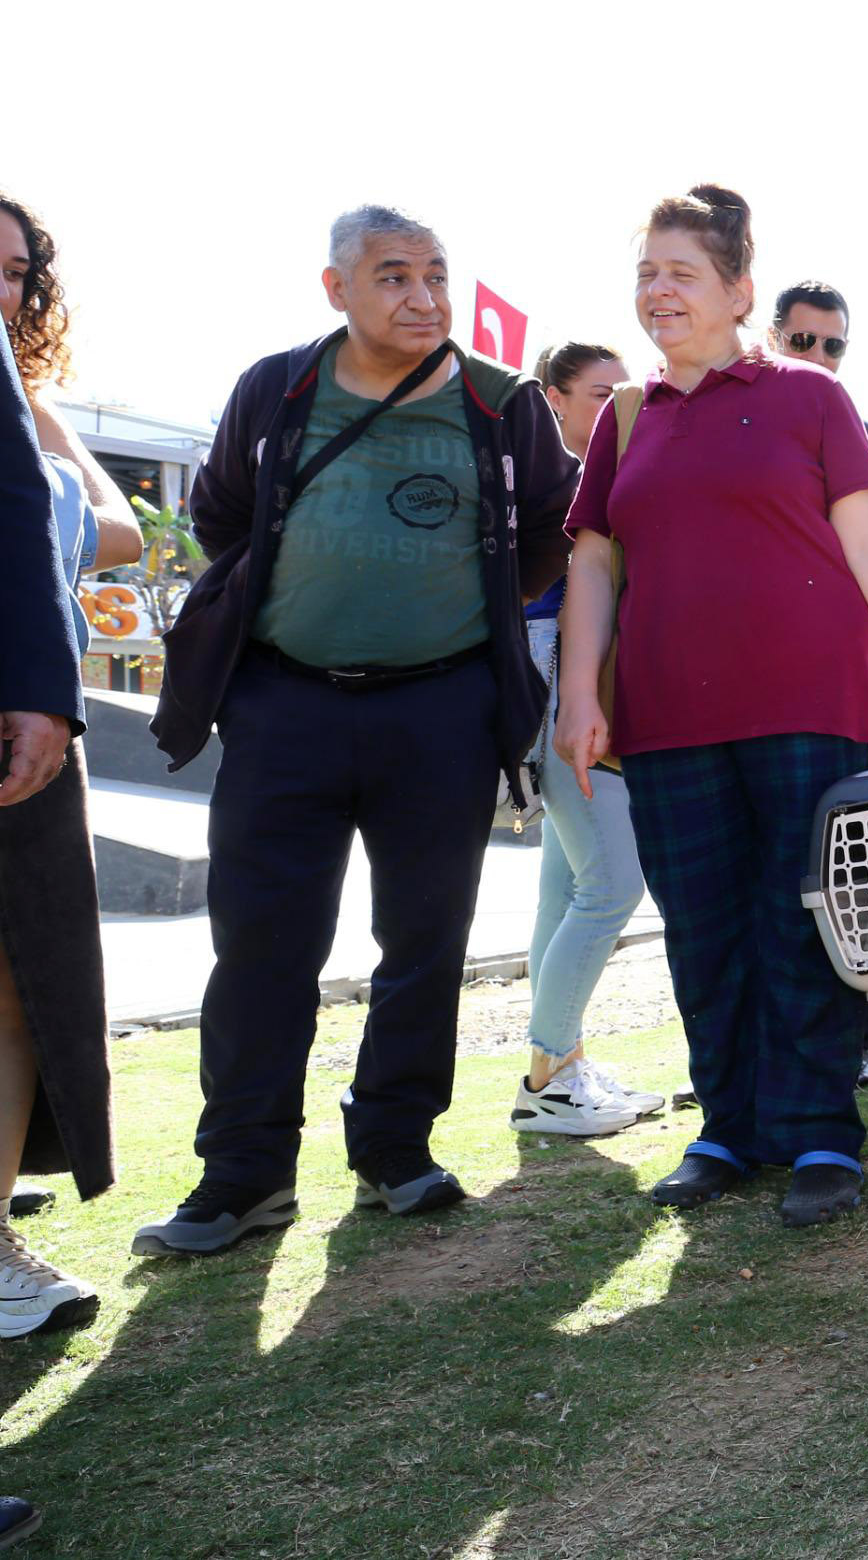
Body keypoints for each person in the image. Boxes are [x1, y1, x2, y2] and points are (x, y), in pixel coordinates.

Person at [131, 207, 579, 1255]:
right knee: (259, 945)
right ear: (336, 288)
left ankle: (394, 1148)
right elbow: (222, 519)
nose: (423, 298)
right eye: (393, 277)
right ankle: (242, 1175)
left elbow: (553, 529)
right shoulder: (278, 386)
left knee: (424, 940)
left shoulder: (498, 402)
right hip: (283, 703)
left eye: (436, 275)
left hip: (442, 707)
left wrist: (460, 611)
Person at [552, 186, 868, 1229]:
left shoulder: (811, 399)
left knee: (806, 915)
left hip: (812, 704)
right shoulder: (625, 419)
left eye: (681, 271)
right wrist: (577, 691)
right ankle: (727, 1123)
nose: (657, 290)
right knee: (701, 925)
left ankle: (820, 1126)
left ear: (739, 290)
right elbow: (593, 562)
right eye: (645, 271)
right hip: (667, 717)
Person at [3, 200, 134, 1335]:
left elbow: (124, 528)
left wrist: (38, 462)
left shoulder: (25, 403)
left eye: (14, 271)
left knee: (20, 992)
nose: (1, 289)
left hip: (24, 714)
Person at [508, 341, 663, 1139]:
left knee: (565, 891)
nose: (617, 410)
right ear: (553, 400)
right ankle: (549, 1075)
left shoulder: (587, 480)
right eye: (600, 394)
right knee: (611, 886)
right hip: (556, 697)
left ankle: (557, 1066)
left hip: (570, 692)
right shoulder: (550, 484)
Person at [767, 280, 868, 768]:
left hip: (850, 679)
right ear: (773, 338)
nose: (817, 355)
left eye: (832, 345)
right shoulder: (732, 433)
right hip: (755, 673)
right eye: (802, 340)